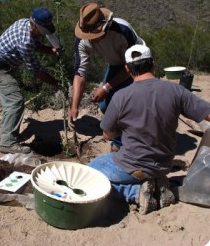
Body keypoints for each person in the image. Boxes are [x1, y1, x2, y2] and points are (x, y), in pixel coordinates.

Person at [89, 44, 210, 214]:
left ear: (127, 69)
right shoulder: (177, 91)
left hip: (133, 165)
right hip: (164, 164)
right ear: (153, 63)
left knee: (90, 172)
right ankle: (155, 183)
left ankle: (135, 193)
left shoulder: (121, 96)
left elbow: (108, 135)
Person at [0, 7, 61, 154]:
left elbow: (36, 45)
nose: (42, 34)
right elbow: (36, 72)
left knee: (11, 103)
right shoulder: (25, 41)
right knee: (15, 101)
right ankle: (7, 143)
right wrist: (56, 83)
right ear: (33, 25)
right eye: (41, 31)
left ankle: (6, 136)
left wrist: (51, 51)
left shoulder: (25, 22)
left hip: (3, 64)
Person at [68, 2, 145, 147]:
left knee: (133, 104)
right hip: (117, 64)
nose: (91, 38)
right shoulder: (82, 40)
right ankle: (121, 138)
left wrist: (106, 88)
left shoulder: (122, 30)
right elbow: (80, 74)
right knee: (105, 105)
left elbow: (130, 66)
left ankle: (132, 142)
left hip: (139, 64)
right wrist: (74, 107)